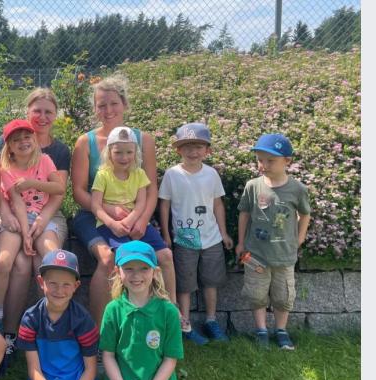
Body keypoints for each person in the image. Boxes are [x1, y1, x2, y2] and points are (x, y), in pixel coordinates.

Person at [70, 74, 177, 328]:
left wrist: (141, 219)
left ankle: (170, 321)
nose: (108, 110)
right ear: (95, 109)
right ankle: (98, 331)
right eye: (101, 105)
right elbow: (78, 192)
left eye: (114, 103)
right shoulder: (85, 142)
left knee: (163, 256)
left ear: (125, 104)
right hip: (93, 215)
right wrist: (110, 210)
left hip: (134, 215)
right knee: (108, 259)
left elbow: (150, 188)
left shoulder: (143, 140)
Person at [0, 88, 72, 353]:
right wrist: (16, 222)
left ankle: (54, 328)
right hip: (15, 216)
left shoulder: (56, 152)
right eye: (37, 111)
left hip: (47, 214)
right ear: (27, 112)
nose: (42, 116)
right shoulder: (7, 146)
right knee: (18, 263)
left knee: (46, 261)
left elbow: (58, 193)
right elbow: (4, 192)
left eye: (48, 112)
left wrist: (40, 220)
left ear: (55, 115)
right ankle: (9, 332)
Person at [99, 241, 183, 380]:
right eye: (129, 269)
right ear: (118, 272)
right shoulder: (112, 310)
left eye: (144, 268)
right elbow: (108, 355)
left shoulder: (168, 312)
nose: (136, 275)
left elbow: (170, 359)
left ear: (155, 272)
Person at [17, 250, 101, 380]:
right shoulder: (30, 319)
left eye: (66, 284)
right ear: (41, 282)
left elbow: (91, 369)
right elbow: (34, 370)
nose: (59, 290)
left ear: (76, 286)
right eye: (52, 283)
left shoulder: (83, 320)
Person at [158, 123, 233, 345]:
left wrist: (224, 233)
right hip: (184, 240)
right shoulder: (172, 174)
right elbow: (164, 205)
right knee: (185, 284)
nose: (193, 151)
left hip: (212, 239)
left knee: (211, 282)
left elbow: (217, 204)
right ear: (178, 150)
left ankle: (211, 321)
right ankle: (185, 324)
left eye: (199, 146)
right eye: (187, 147)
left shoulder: (211, 174)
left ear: (207, 150)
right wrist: (166, 234)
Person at [235, 134, 311, 350]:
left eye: (270, 161)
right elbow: (244, 214)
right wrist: (240, 243)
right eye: (260, 160)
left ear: (287, 161)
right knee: (255, 293)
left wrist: (300, 237)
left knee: (283, 296)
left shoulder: (297, 189)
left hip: (284, 255)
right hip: (254, 254)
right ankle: (261, 330)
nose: (264, 165)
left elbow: (305, 214)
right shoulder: (253, 186)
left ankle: (281, 330)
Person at [0, 119, 65, 331]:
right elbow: (17, 204)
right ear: (9, 147)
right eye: (16, 140)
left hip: (44, 217)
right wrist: (26, 235)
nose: (23, 142)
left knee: (52, 258)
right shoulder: (6, 169)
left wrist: (32, 183)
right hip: (17, 219)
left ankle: (53, 318)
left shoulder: (45, 160)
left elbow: (59, 188)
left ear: (34, 139)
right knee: (4, 262)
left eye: (27, 137)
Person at [91, 127, 153, 249]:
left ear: (135, 152)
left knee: (165, 254)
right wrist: (112, 224)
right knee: (128, 252)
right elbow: (95, 205)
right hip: (109, 223)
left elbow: (141, 202)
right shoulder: (102, 175)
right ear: (109, 153)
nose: (124, 158)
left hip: (134, 219)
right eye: (118, 152)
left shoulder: (139, 174)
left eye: (129, 152)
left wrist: (131, 220)